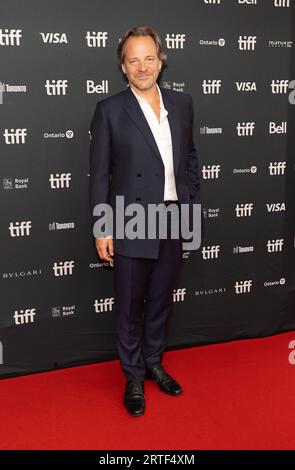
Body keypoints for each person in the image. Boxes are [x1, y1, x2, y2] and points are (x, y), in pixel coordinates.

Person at [89, 26, 201, 416]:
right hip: (132, 218)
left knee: (161, 301)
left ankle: (154, 362)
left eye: (148, 58)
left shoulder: (182, 103)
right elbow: (100, 173)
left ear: (161, 60)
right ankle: (133, 375)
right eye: (133, 60)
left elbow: (189, 157)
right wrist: (103, 225)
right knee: (129, 304)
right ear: (123, 66)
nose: (142, 67)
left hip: (173, 216)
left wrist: (191, 199)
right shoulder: (110, 110)